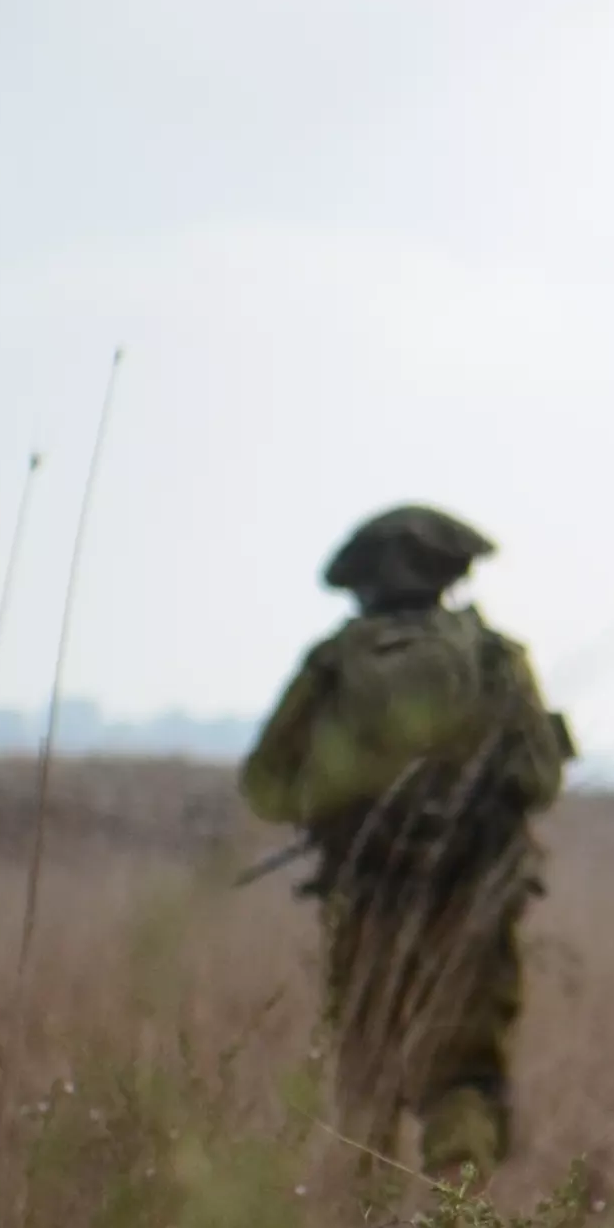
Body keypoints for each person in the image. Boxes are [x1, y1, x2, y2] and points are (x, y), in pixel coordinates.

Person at [240, 504, 571, 1177]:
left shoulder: (334, 664)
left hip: (367, 900)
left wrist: (341, 799)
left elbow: (263, 786)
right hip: (473, 906)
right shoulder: (494, 658)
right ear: (453, 574)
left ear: (361, 583)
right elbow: (538, 779)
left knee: (368, 1071)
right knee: (464, 1079)